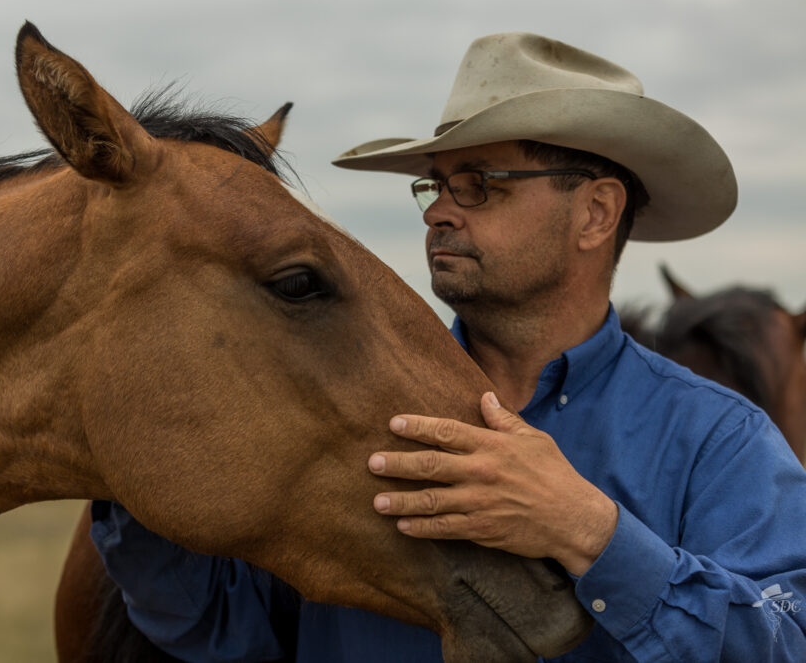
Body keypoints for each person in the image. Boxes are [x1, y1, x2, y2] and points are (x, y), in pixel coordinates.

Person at [91, 32, 806, 661]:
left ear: (596, 212)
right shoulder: (347, 398)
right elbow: (226, 631)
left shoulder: (717, 439)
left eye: (480, 185)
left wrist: (590, 532)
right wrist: (123, 463)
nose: (437, 208)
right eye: (436, 185)